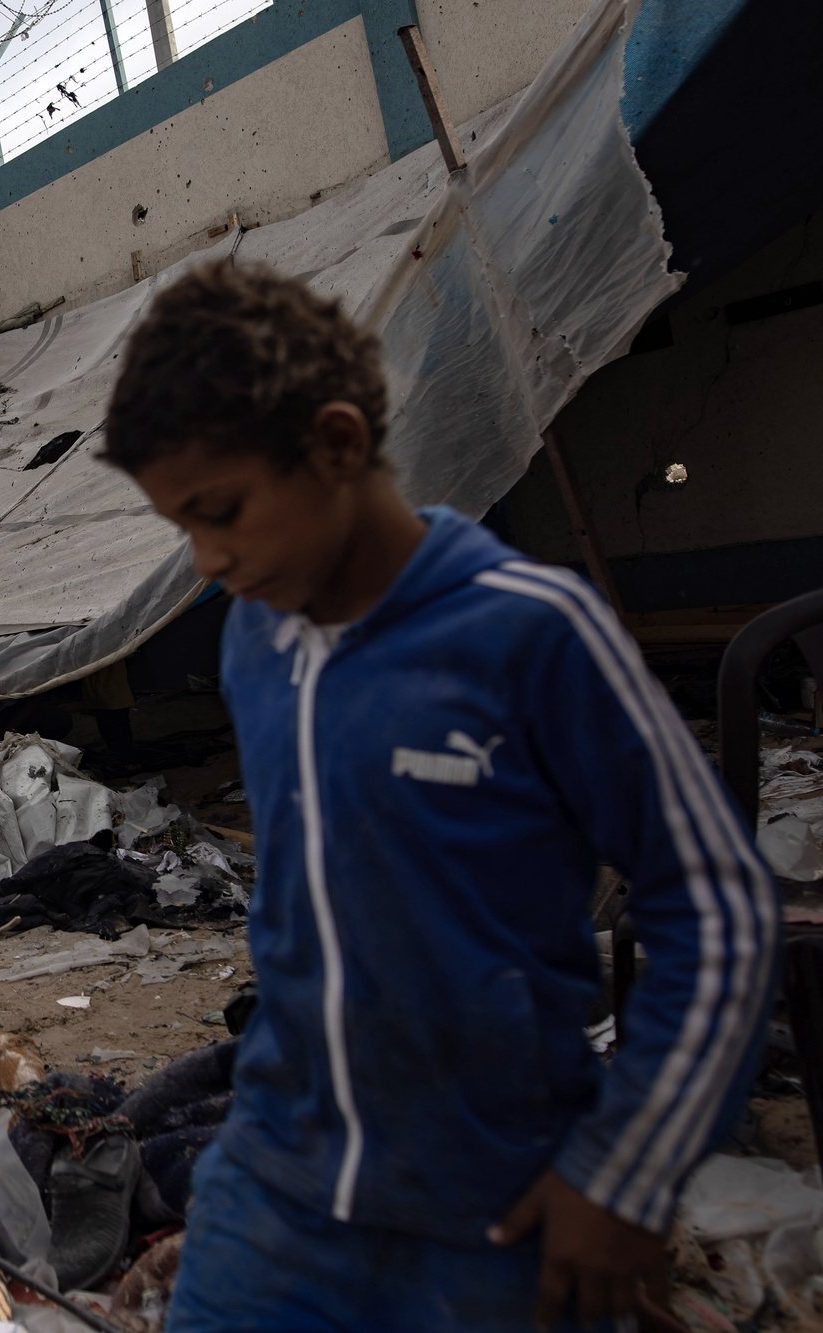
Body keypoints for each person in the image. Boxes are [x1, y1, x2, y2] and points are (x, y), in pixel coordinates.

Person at [100, 262, 778, 1331]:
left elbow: (718, 911)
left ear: (331, 443)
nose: (207, 560)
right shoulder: (255, 639)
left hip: (492, 1196)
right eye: (179, 526)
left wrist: (625, 1174)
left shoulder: (527, 632)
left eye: (220, 512)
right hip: (279, 1178)